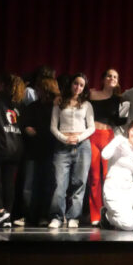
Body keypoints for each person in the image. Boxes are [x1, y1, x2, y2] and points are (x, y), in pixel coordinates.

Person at [49, 73, 95, 229]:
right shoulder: (59, 102)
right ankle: (57, 216)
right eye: (76, 83)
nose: (78, 87)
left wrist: (79, 138)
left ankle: (73, 217)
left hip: (82, 146)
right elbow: (53, 126)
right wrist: (64, 138)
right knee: (59, 183)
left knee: (79, 183)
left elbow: (91, 127)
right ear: (71, 84)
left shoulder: (87, 104)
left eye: (81, 85)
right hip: (62, 146)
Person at [0, 73, 26, 229]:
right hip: (16, 148)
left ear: (2, 85)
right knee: (9, 183)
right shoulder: (19, 105)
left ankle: (1, 211)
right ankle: (7, 217)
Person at [20, 77, 59, 227]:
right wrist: (28, 129)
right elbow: (26, 126)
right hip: (33, 150)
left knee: (47, 185)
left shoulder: (55, 106)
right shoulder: (32, 106)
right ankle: (27, 215)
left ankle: (43, 216)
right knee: (29, 186)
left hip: (50, 150)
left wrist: (36, 132)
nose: (36, 91)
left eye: (39, 89)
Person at [88, 69, 126, 227]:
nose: (112, 78)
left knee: (108, 176)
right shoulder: (91, 94)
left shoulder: (119, 99)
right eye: (109, 76)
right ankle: (95, 214)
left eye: (115, 76)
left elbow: (120, 121)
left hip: (108, 137)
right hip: (92, 135)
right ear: (103, 79)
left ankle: (110, 212)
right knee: (94, 177)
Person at [102, 118, 133, 231]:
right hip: (113, 187)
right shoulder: (120, 141)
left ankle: (128, 213)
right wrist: (117, 141)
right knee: (130, 225)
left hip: (128, 187)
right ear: (129, 130)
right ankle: (107, 216)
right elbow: (104, 155)